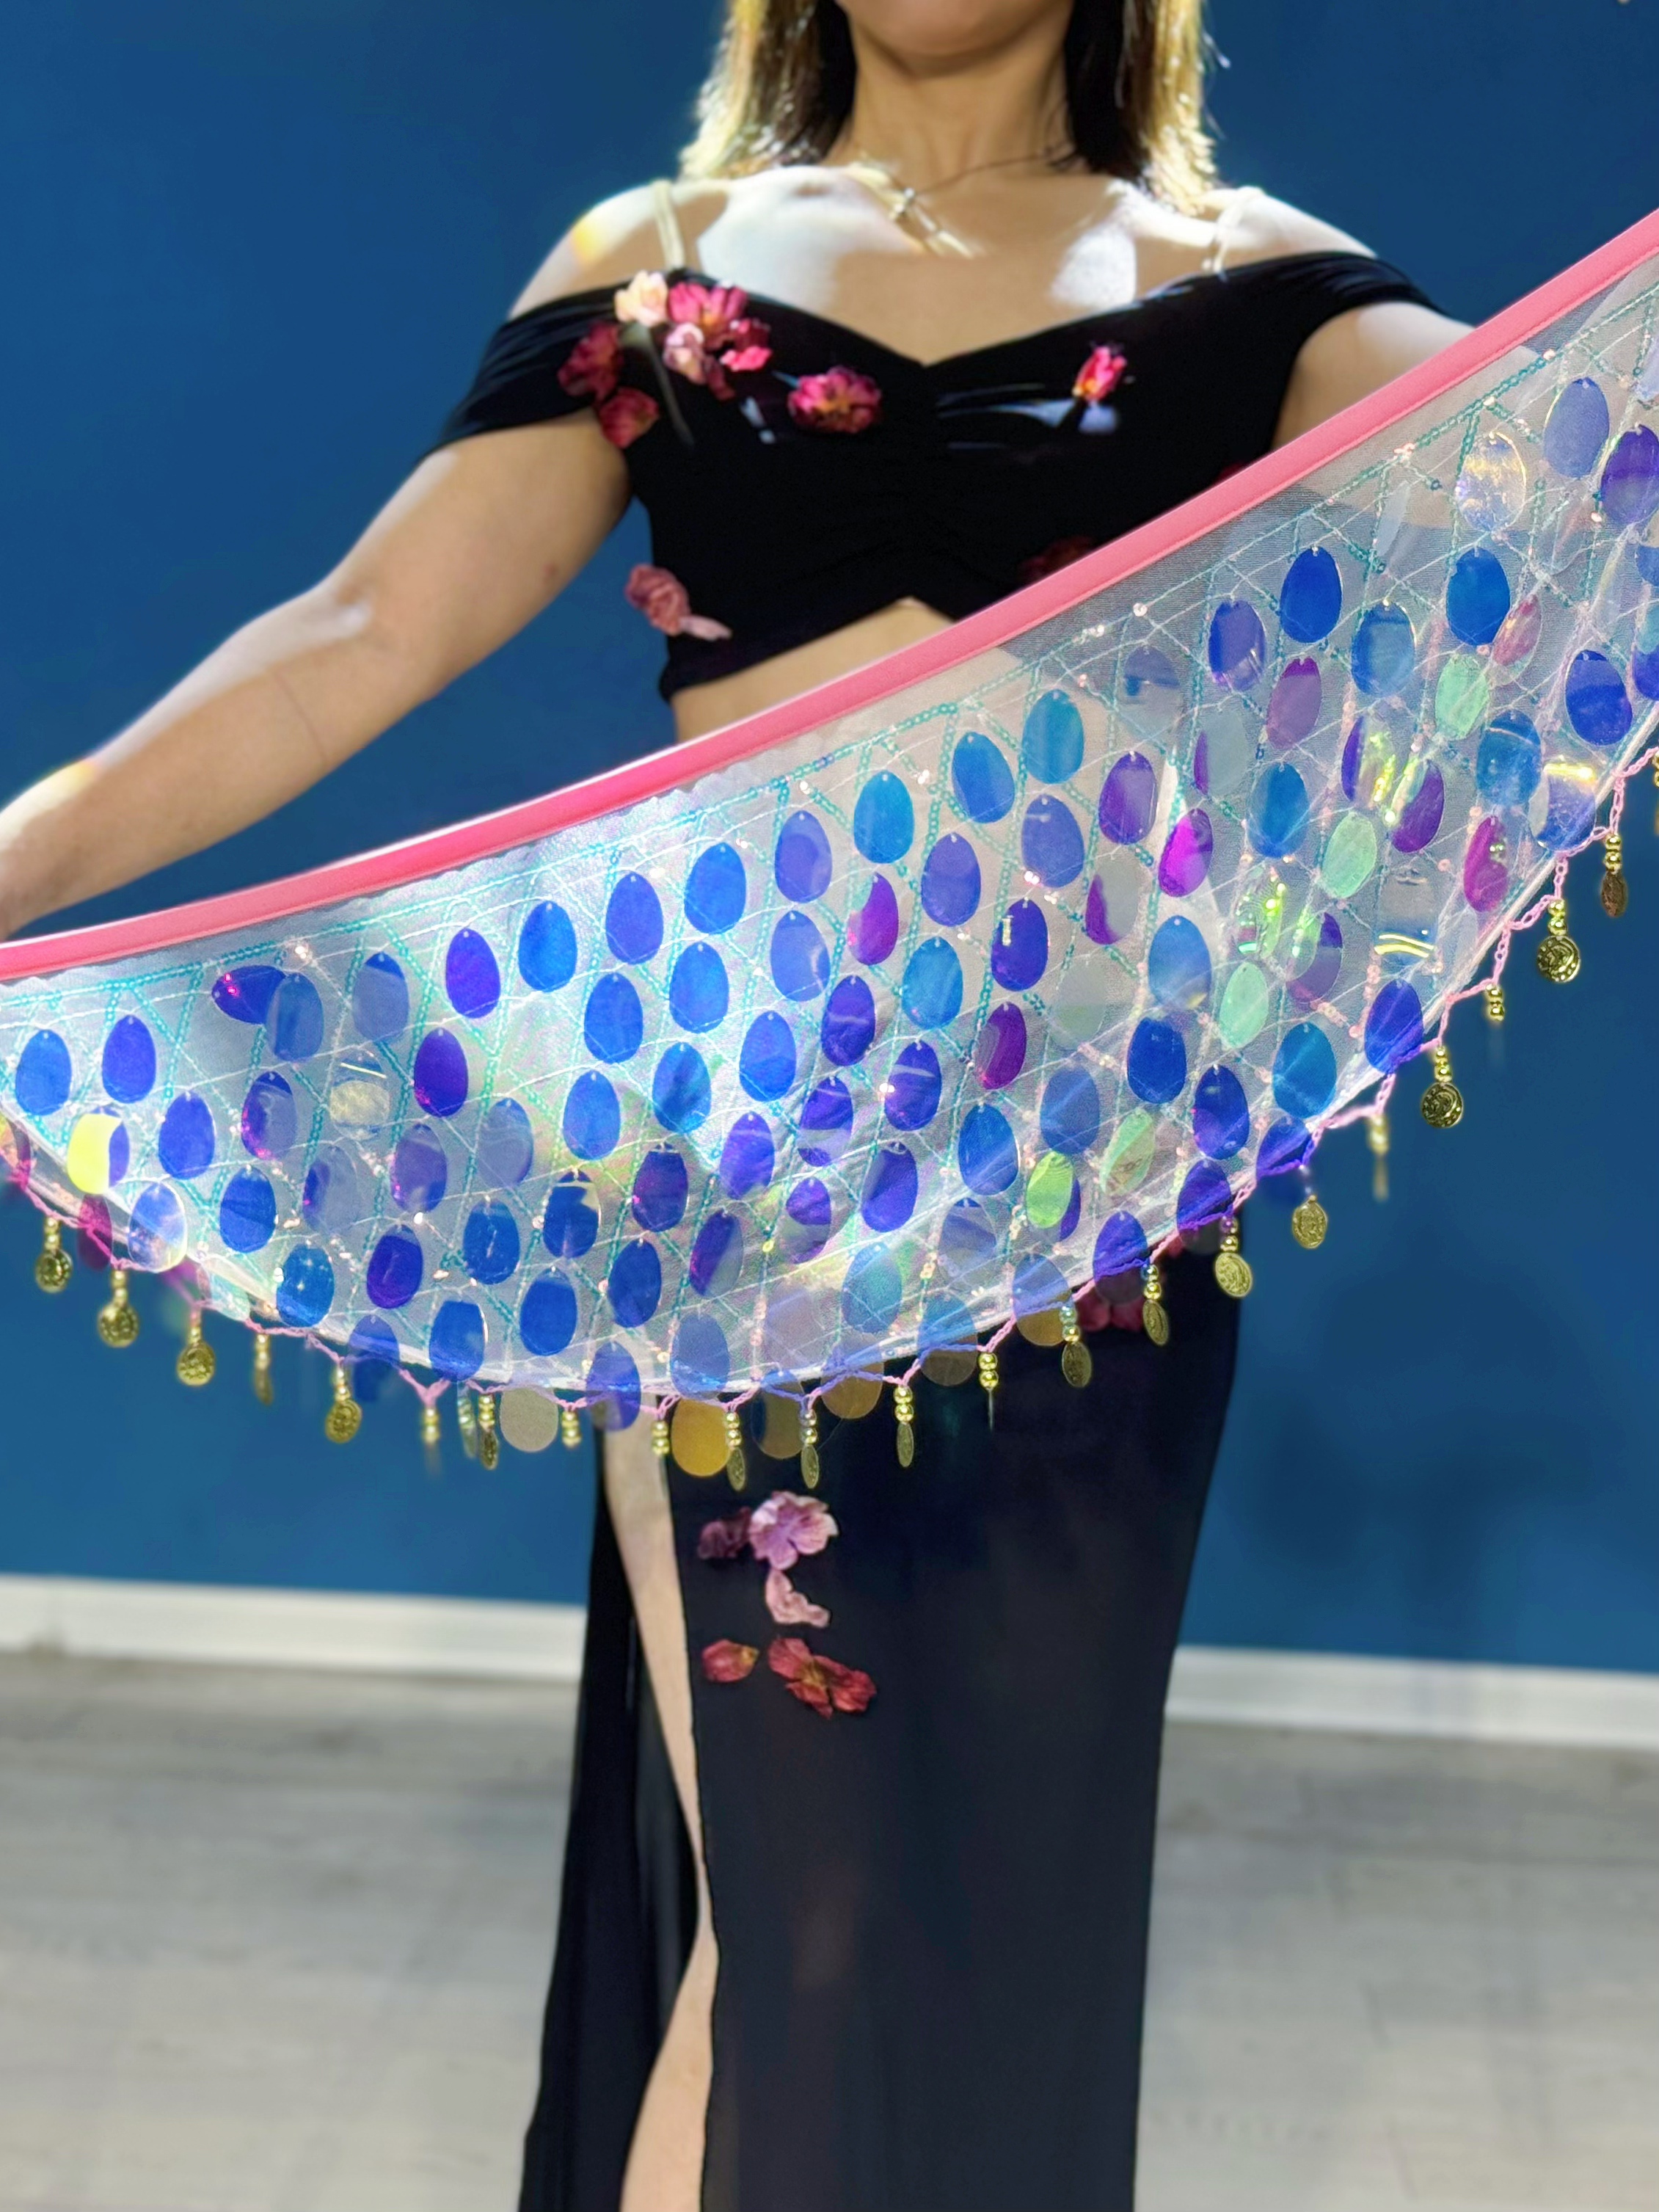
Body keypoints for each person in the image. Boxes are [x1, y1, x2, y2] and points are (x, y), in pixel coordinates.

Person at [0, 2, 1468, 2205]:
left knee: (977, 1917)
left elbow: (1580, 467)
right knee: (810, 1916)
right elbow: (361, 628)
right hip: (739, 1199)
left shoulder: (1260, 290)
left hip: (1083, 1232)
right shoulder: (662, 264)